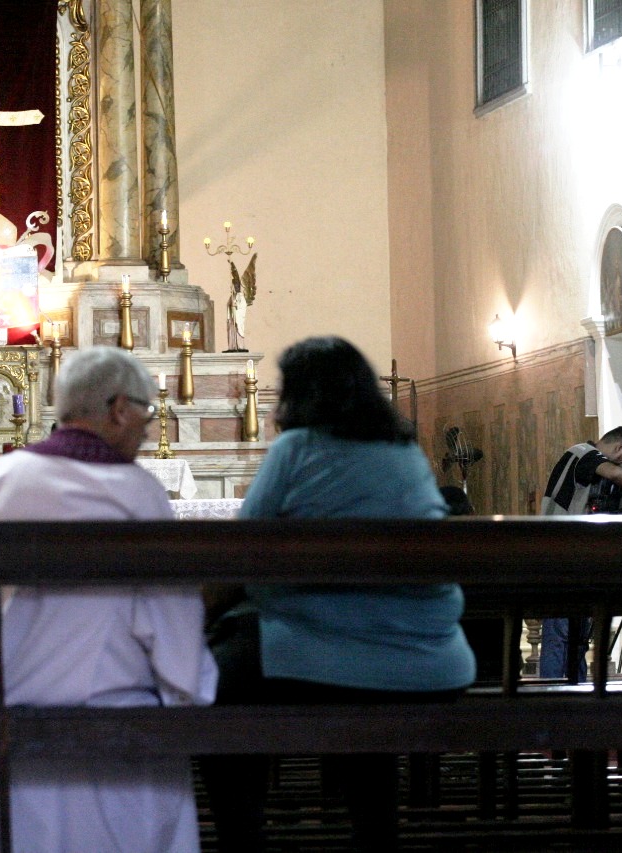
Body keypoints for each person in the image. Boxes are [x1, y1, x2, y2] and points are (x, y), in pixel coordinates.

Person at [0, 346, 217, 853]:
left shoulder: (3, 480)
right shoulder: (138, 493)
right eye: (147, 412)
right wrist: (190, 687)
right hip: (117, 710)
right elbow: (168, 612)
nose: (147, 426)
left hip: (8, 702)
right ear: (119, 409)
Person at [200, 336, 476, 852]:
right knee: (363, 703)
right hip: (430, 661)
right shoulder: (404, 452)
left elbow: (242, 549)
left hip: (331, 656)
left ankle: (244, 839)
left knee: (214, 686)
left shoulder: (295, 449)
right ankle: (376, 834)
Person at [537, 427, 622, 679]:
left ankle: (577, 692)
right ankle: (552, 693)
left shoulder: (585, 463)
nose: (621, 465)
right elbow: (614, 473)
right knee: (560, 636)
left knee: (576, 638)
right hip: (560, 557)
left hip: (574, 558)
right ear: (620, 449)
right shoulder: (581, 453)